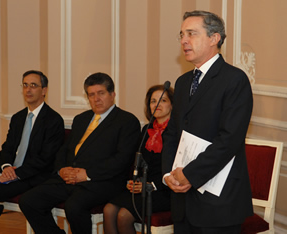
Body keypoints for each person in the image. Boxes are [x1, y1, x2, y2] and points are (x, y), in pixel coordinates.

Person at [162, 10, 254, 233]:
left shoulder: (234, 80)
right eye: (182, 34)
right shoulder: (183, 82)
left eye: (192, 34)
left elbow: (229, 140)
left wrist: (189, 174)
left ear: (214, 39)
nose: (184, 40)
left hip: (218, 201)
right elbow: (172, 133)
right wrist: (169, 175)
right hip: (182, 199)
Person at [19, 72, 141, 234]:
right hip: (69, 179)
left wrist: (87, 174)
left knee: (74, 206)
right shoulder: (81, 119)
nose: (96, 99)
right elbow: (63, 151)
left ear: (112, 95)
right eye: (91, 95)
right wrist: (62, 170)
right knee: (29, 200)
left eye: (101, 93)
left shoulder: (127, 121)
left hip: (103, 182)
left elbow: (122, 160)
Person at [0, 70, 65, 234]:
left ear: (44, 90)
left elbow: (45, 159)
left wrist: (16, 174)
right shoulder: (18, 118)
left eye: (33, 85)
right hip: (11, 172)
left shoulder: (53, 120)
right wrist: (7, 167)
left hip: (33, 176)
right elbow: (7, 149)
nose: (28, 90)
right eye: (25, 85)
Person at [103, 84, 173, 234]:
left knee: (123, 216)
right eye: (153, 101)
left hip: (164, 190)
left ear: (172, 105)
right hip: (143, 186)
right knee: (108, 210)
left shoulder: (177, 132)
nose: (157, 104)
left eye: (163, 100)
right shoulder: (146, 129)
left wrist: (151, 185)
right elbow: (139, 162)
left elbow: (176, 169)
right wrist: (135, 181)